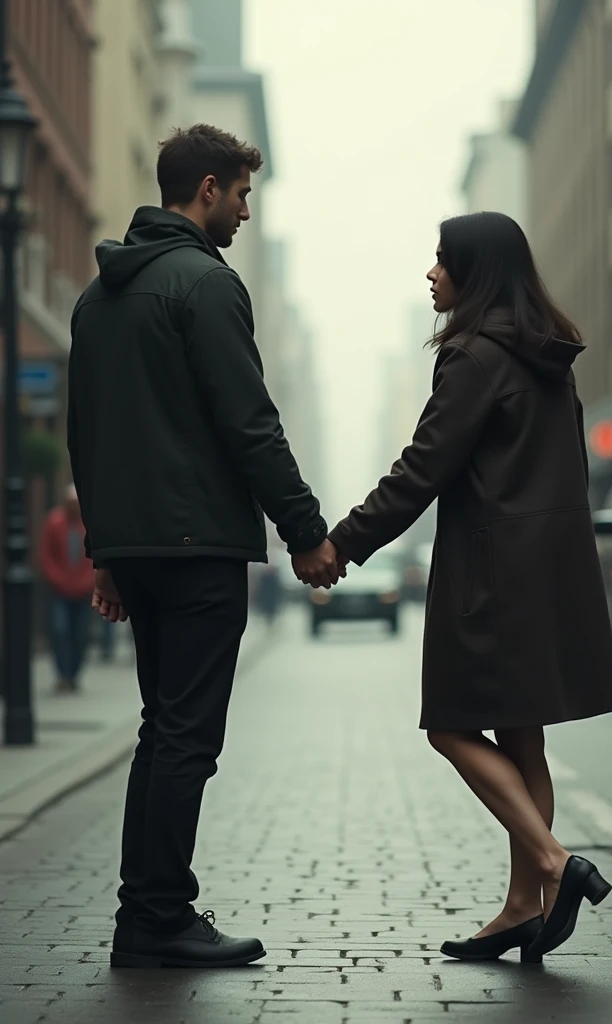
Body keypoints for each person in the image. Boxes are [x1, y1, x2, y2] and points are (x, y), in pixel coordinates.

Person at [67, 124, 343, 969]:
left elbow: (89, 435)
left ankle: (145, 917)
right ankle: (159, 919)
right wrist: (307, 532)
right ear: (208, 191)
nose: (247, 212)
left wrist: (106, 550)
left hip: (141, 551)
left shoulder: (96, 297)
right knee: (187, 737)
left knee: (162, 731)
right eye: (242, 194)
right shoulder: (204, 285)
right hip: (196, 548)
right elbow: (249, 423)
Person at [328, 212, 612, 964]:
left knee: (452, 728)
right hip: (549, 568)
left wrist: (342, 542)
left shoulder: (474, 356)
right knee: (524, 735)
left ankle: (556, 867)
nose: (431, 273)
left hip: (492, 573)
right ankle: (523, 906)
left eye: (442, 260)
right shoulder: (547, 355)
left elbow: (423, 469)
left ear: (477, 272)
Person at [39, 484, 94, 694]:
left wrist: (87, 582)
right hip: (59, 591)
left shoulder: (87, 524)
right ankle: (63, 674)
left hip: (83, 590)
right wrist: (57, 579)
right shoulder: (54, 522)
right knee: (60, 631)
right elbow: (47, 556)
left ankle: (74, 673)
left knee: (81, 634)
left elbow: (93, 560)